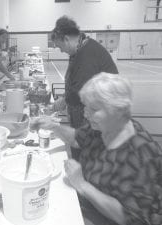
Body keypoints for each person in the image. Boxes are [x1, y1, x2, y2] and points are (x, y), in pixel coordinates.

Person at [31, 73, 162, 225]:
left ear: (118, 110)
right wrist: (53, 127)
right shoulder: (104, 127)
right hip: (88, 206)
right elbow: (77, 138)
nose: (86, 114)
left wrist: (81, 184)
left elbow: (130, 217)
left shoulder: (140, 154)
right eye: (86, 107)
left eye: (93, 109)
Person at [51, 16, 119, 160]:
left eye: (59, 46)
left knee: (87, 148)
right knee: (80, 142)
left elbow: (80, 90)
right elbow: (75, 81)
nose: (61, 50)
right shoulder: (79, 49)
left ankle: (83, 169)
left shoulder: (87, 54)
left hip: (100, 114)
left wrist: (63, 101)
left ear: (67, 39)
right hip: (88, 111)